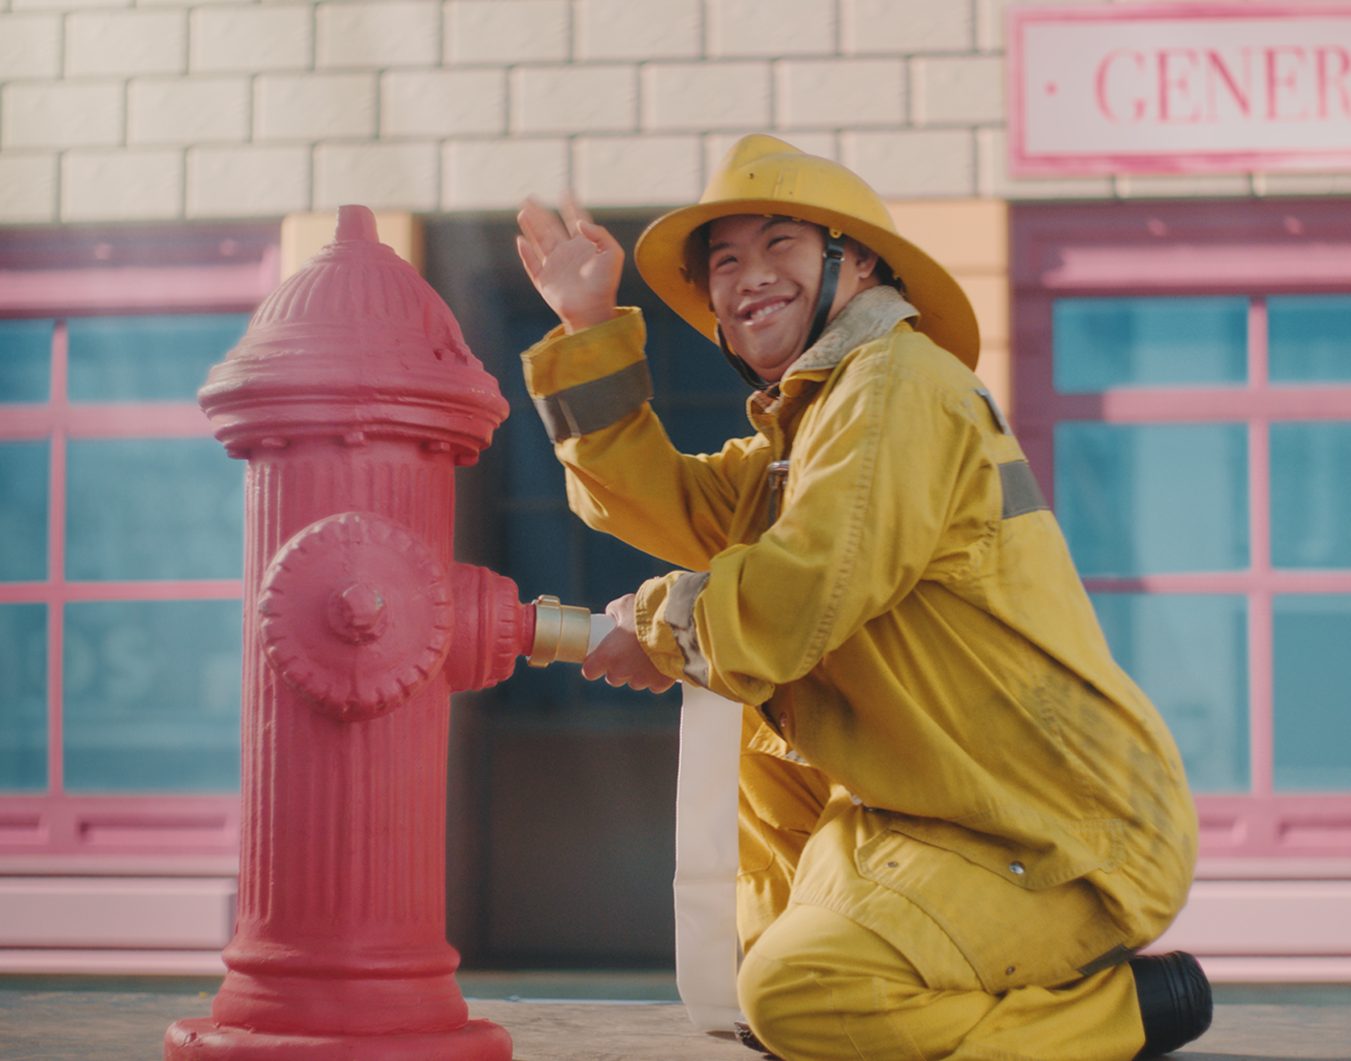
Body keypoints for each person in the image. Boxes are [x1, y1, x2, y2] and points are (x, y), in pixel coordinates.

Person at [514, 134, 1210, 1061]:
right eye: (725, 262)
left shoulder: (897, 386)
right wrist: (587, 325)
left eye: (779, 246)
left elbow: (794, 597)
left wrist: (654, 627)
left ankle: (1116, 1014)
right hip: (938, 810)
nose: (747, 278)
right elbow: (659, 499)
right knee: (771, 965)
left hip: (1055, 830)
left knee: (805, 992)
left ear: (858, 259)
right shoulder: (802, 434)